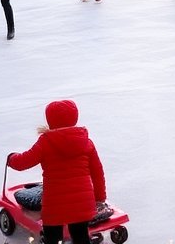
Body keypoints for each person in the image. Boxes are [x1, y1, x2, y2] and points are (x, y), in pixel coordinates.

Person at [7, 100, 108, 244]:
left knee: (52, 238)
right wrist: (100, 197)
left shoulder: (46, 142)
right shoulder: (86, 142)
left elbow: (24, 162)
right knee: (81, 236)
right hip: (82, 203)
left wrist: (12, 159)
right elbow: (97, 173)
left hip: (54, 204)